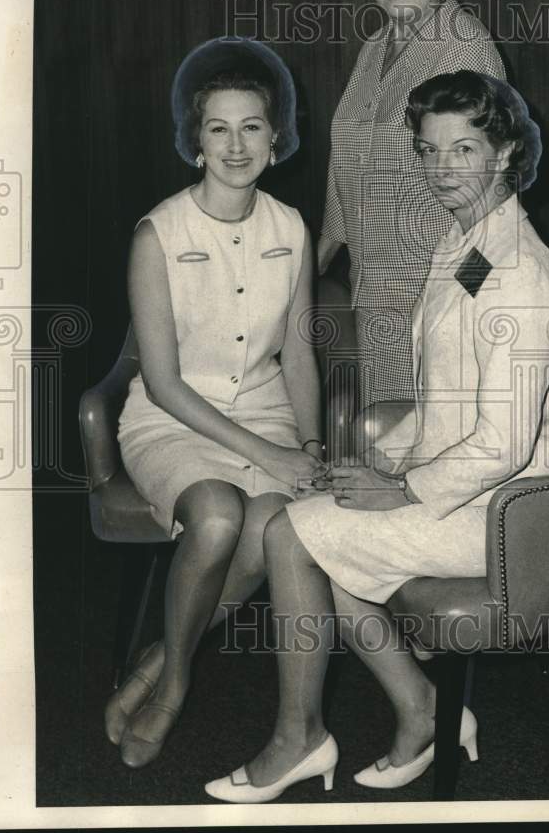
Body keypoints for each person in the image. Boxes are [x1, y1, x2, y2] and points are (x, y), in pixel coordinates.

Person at [205, 71, 549, 801]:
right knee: (319, 526)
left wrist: (398, 487)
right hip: (466, 487)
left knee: (289, 535)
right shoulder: (469, 242)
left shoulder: (520, 277)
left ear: (502, 153)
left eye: (463, 149)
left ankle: (299, 738)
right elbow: (450, 397)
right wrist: (374, 462)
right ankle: (421, 710)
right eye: (429, 150)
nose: (442, 169)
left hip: (507, 515)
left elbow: (500, 443)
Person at [107, 37, 326, 768]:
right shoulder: (157, 234)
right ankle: (173, 686)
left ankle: (151, 661)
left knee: (271, 524)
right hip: (171, 418)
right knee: (217, 515)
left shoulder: (290, 228)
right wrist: (269, 455)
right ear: (194, 141)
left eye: (252, 127)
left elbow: (296, 352)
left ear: (276, 137)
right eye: (218, 128)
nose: (237, 145)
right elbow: (163, 383)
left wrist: (312, 448)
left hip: (264, 413)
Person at [318, 0, 505, 408]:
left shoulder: (464, 53)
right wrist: (309, 266)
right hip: (373, 291)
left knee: (407, 456)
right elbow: (345, 165)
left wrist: (461, 316)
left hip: (433, 298)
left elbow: (492, 198)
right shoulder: (376, 47)